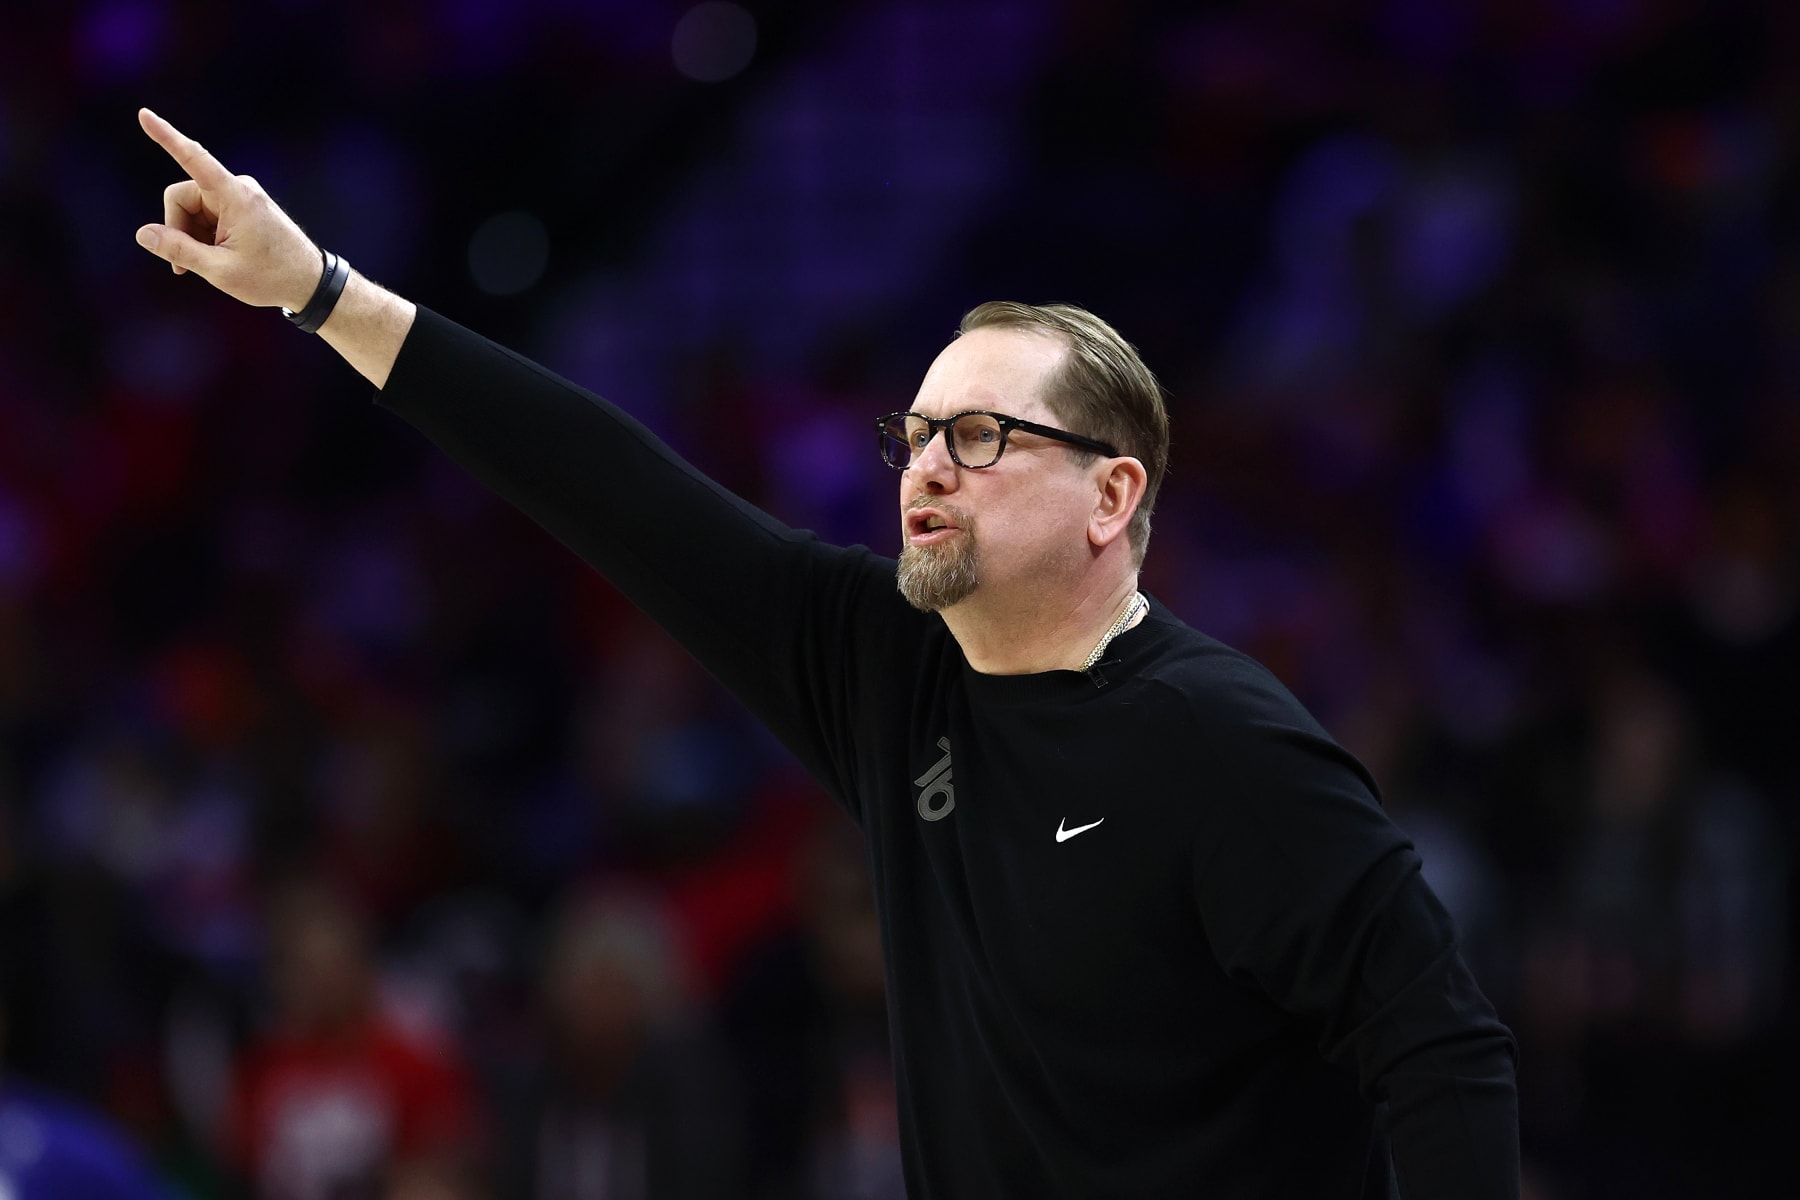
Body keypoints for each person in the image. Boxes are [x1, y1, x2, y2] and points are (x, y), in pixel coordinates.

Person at [132, 107, 1519, 1198]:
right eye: (912, 434)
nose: (924, 466)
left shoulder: (1225, 743)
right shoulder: (887, 668)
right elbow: (612, 489)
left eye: (979, 436)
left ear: (1114, 497)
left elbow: (1440, 1043)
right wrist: (319, 290)